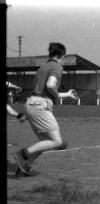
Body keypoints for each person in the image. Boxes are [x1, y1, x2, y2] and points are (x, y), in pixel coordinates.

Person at [13, 42, 78, 176]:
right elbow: (50, 85)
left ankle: (25, 165)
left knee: (45, 142)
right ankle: (22, 154)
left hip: (31, 104)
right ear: (62, 56)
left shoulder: (43, 67)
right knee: (56, 141)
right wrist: (56, 95)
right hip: (40, 106)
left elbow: (44, 89)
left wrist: (66, 94)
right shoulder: (57, 66)